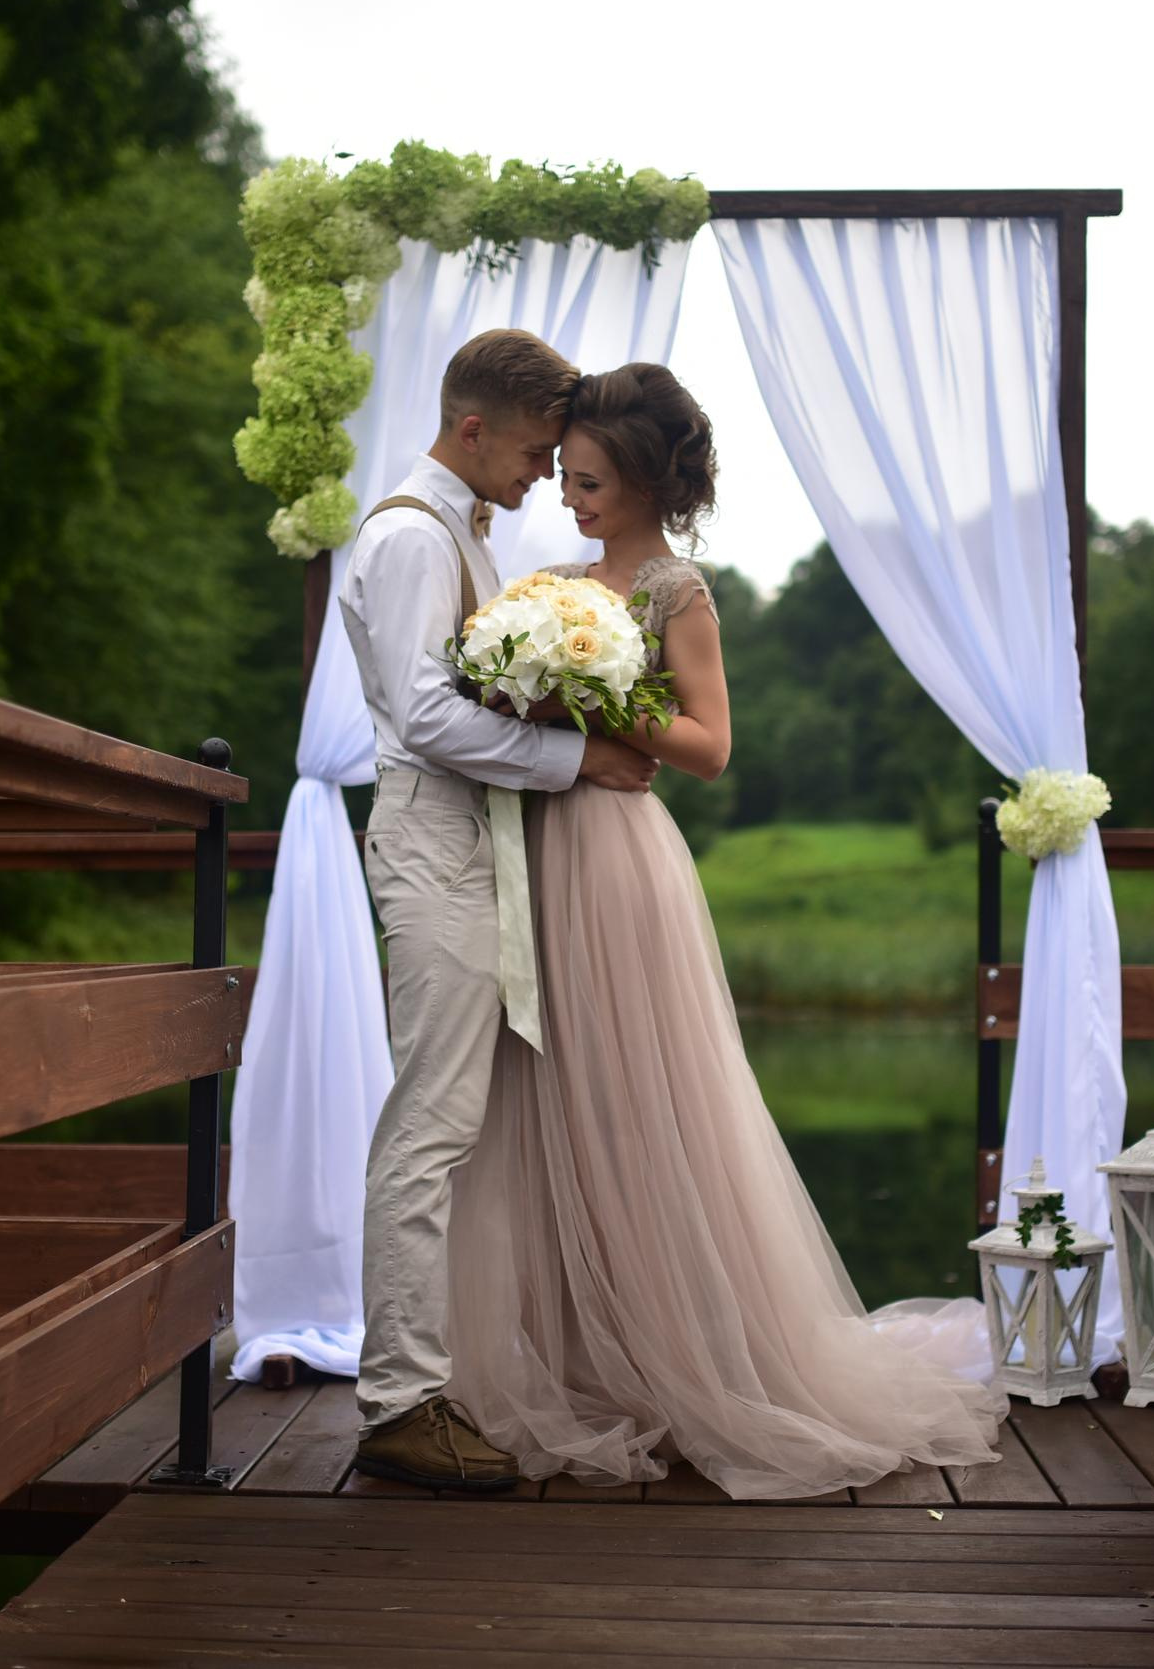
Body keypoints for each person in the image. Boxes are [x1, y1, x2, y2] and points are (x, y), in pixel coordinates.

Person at [444, 361, 1008, 1498]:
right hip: (533, 851)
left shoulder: (674, 592)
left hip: (616, 861)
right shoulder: (551, 585)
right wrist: (519, 684)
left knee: (632, 1101)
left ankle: (683, 1365)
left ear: (645, 482)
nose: (569, 498)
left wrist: (598, 693)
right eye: (565, 476)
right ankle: (575, 1363)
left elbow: (708, 745)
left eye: (590, 481)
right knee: (541, 1103)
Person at [336, 328, 660, 1491]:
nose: (539, 476)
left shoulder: (457, 533)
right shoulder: (410, 538)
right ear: (471, 429)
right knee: (429, 1125)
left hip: (474, 842)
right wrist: (579, 757)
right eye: (531, 454)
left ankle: (467, 1370)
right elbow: (426, 715)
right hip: (433, 841)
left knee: (463, 1122)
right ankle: (399, 1401)